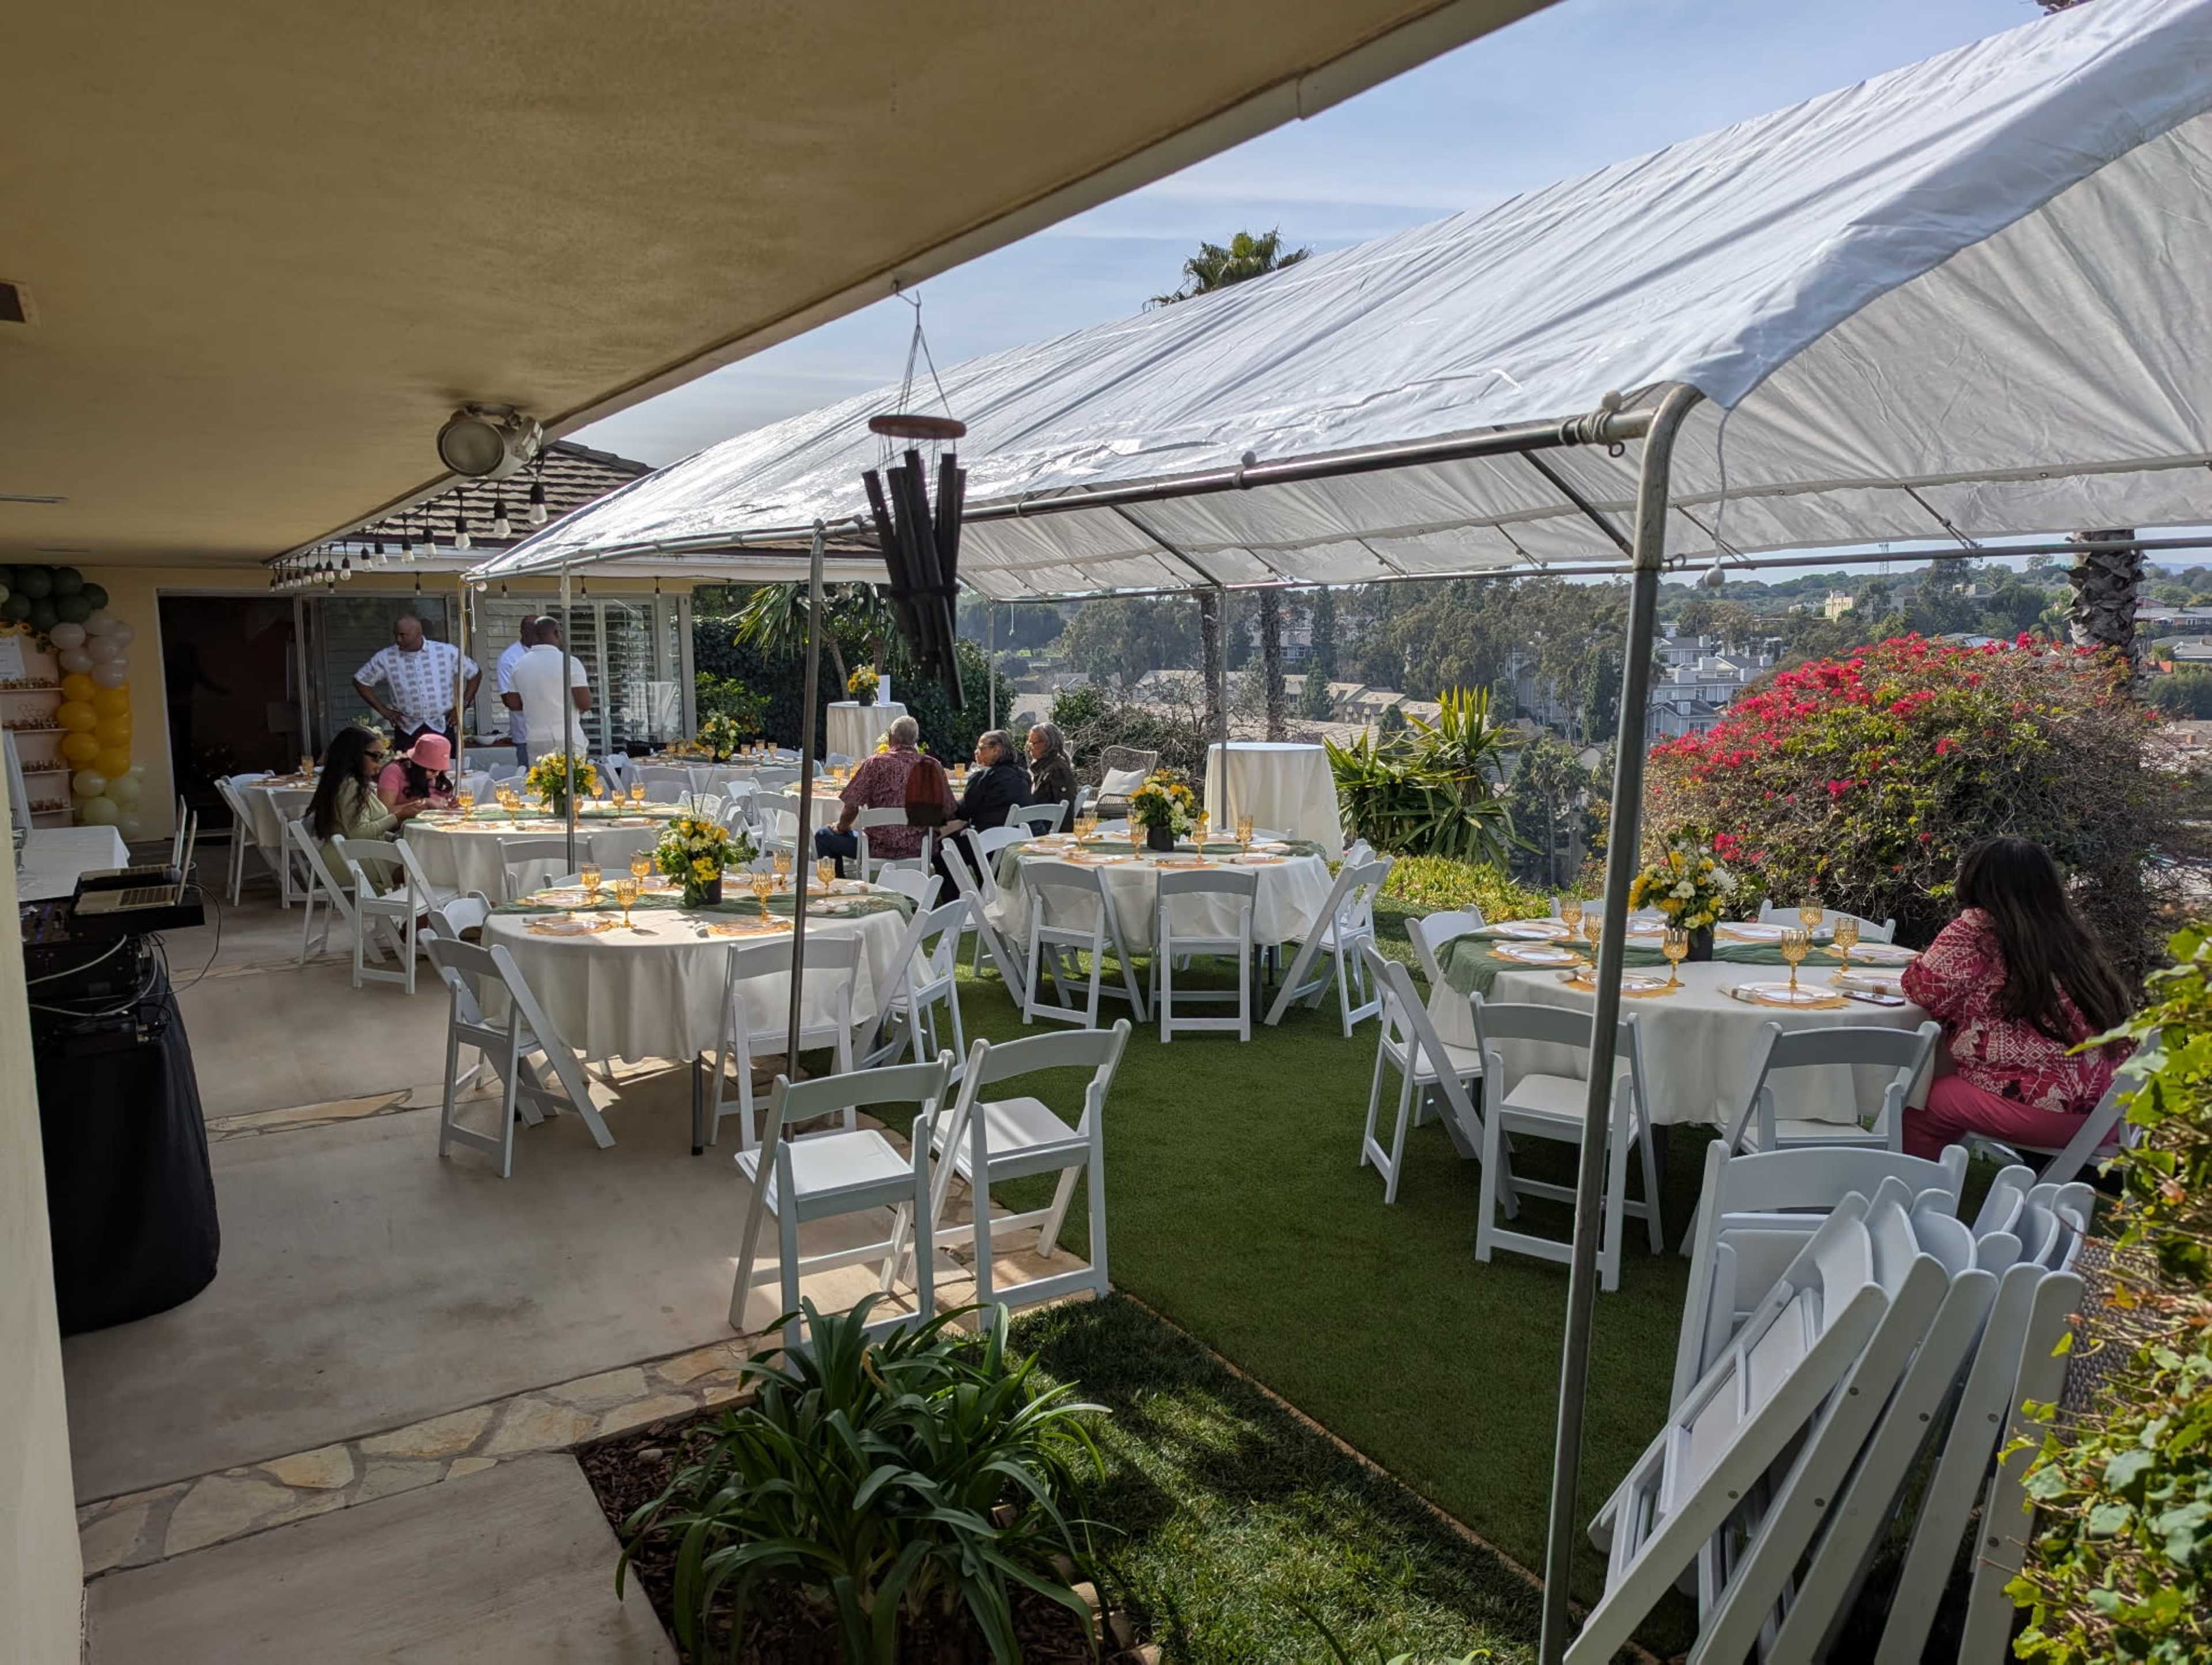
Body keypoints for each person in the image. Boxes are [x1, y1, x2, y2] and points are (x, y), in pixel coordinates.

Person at [1898, 836, 2134, 1163]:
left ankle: (1911, 1190)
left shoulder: (1978, 928)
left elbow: (1921, 988)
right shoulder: (2068, 935)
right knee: (1949, 1081)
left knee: (1922, 1101)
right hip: (2107, 1112)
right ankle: (1946, 1176)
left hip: (2044, 1111)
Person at [816, 715, 951, 875]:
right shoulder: (932, 765)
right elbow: (946, 810)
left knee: (824, 835)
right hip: (918, 847)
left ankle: (838, 888)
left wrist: (840, 828)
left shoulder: (875, 764)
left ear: (890, 738)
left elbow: (852, 806)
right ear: (916, 739)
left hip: (876, 847)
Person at [306, 726, 426, 877]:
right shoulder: (351, 786)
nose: (379, 763)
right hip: (351, 861)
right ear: (354, 754)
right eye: (375, 757)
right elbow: (360, 832)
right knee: (427, 864)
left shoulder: (344, 782)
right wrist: (399, 816)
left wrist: (398, 836)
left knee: (422, 855)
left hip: (353, 854)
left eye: (382, 757)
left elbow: (367, 825)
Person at [352, 613, 479, 753]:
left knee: (446, 772)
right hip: (407, 729)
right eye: (396, 635)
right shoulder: (386, 657)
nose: (398, 639)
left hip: (442, 725)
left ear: (419, 633)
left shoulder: (446, 652)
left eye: (403, 635)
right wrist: (383, 710)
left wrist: (463, 705)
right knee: (407, 773)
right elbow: (361, 681)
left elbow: (475, 674)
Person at [510, 615, 593, 760]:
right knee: (573, 782)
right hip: (567, 736)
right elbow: (585, 703)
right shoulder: (569, 662)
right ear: (556, 633)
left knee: (541, 781)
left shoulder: (519, 665)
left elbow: (513, 703)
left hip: (535, 737)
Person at [496, 617, 539, 762]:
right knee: (531, 781)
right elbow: (511, 702)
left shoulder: (553, 655)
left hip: (556, 732)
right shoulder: (510, 658)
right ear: (522, 632)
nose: (536, 636)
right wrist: (546, 701)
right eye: (532, 632)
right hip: (526, 735)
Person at [376, 732, 454, 810]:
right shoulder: (393, 772)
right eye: (433, 770)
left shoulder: (438, 777)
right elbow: (384, 812)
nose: (437, 774)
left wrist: (451, 803)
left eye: (441, 770)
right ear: (418, 766)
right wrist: (425, 803)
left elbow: (446, 802)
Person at [1026, 722, 1078, 821]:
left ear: (1048, 743)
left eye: (1033, 744)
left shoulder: (1057, 770)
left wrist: (1064, 836)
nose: (1030, 749)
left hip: (1049, 831)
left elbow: (1066, 809)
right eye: (1029, 744)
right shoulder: (1042, 768)